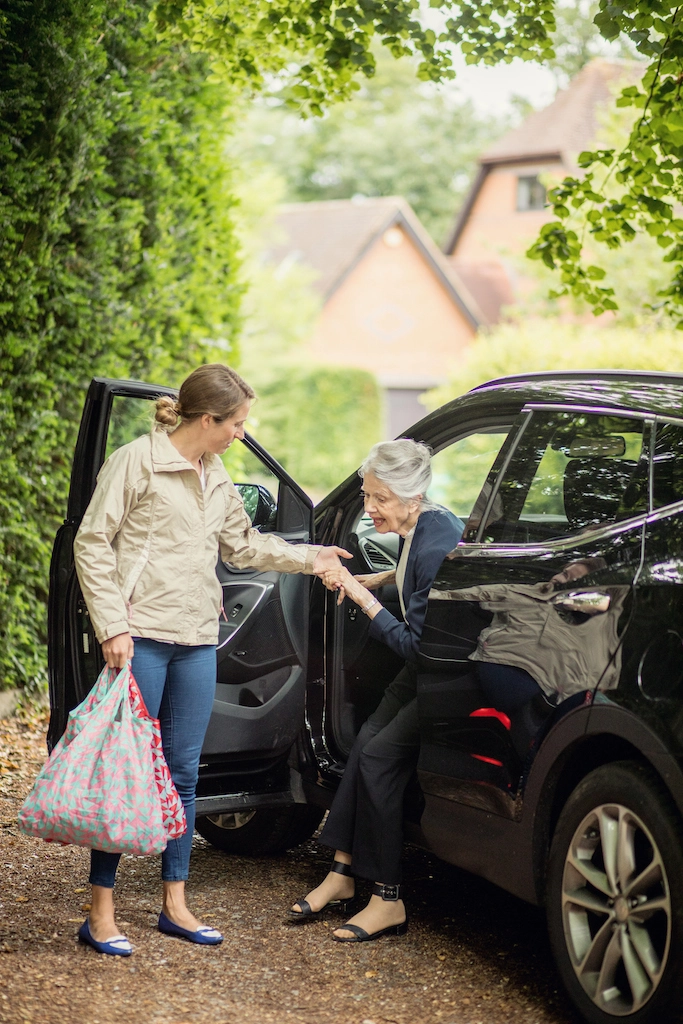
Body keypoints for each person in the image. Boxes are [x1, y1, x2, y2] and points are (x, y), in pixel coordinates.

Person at [73, 363, 349, 956]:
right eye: (237, 423)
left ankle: (175, 902)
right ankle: (101, 911)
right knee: (127, 773)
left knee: (185, 773)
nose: (240, 434)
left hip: (197, 638)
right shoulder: (135, 461)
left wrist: (313, 557)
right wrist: (113, 626)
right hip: (140, 636)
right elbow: (91, 541)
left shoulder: (215, 470)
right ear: (208, 419)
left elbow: (243, 546)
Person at [287, 439, 464, 943]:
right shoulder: (421, 524)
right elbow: (411, 579)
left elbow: (417, 647)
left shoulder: (436, 541)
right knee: (364, 743)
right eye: (366, 495)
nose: (368, 509)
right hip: (424, 669)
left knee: (381, 756)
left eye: (378, 499)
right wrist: (375, 577)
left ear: (411, 498)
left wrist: (364, 598)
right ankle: (343, 875)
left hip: (442, 674)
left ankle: (388, 899)